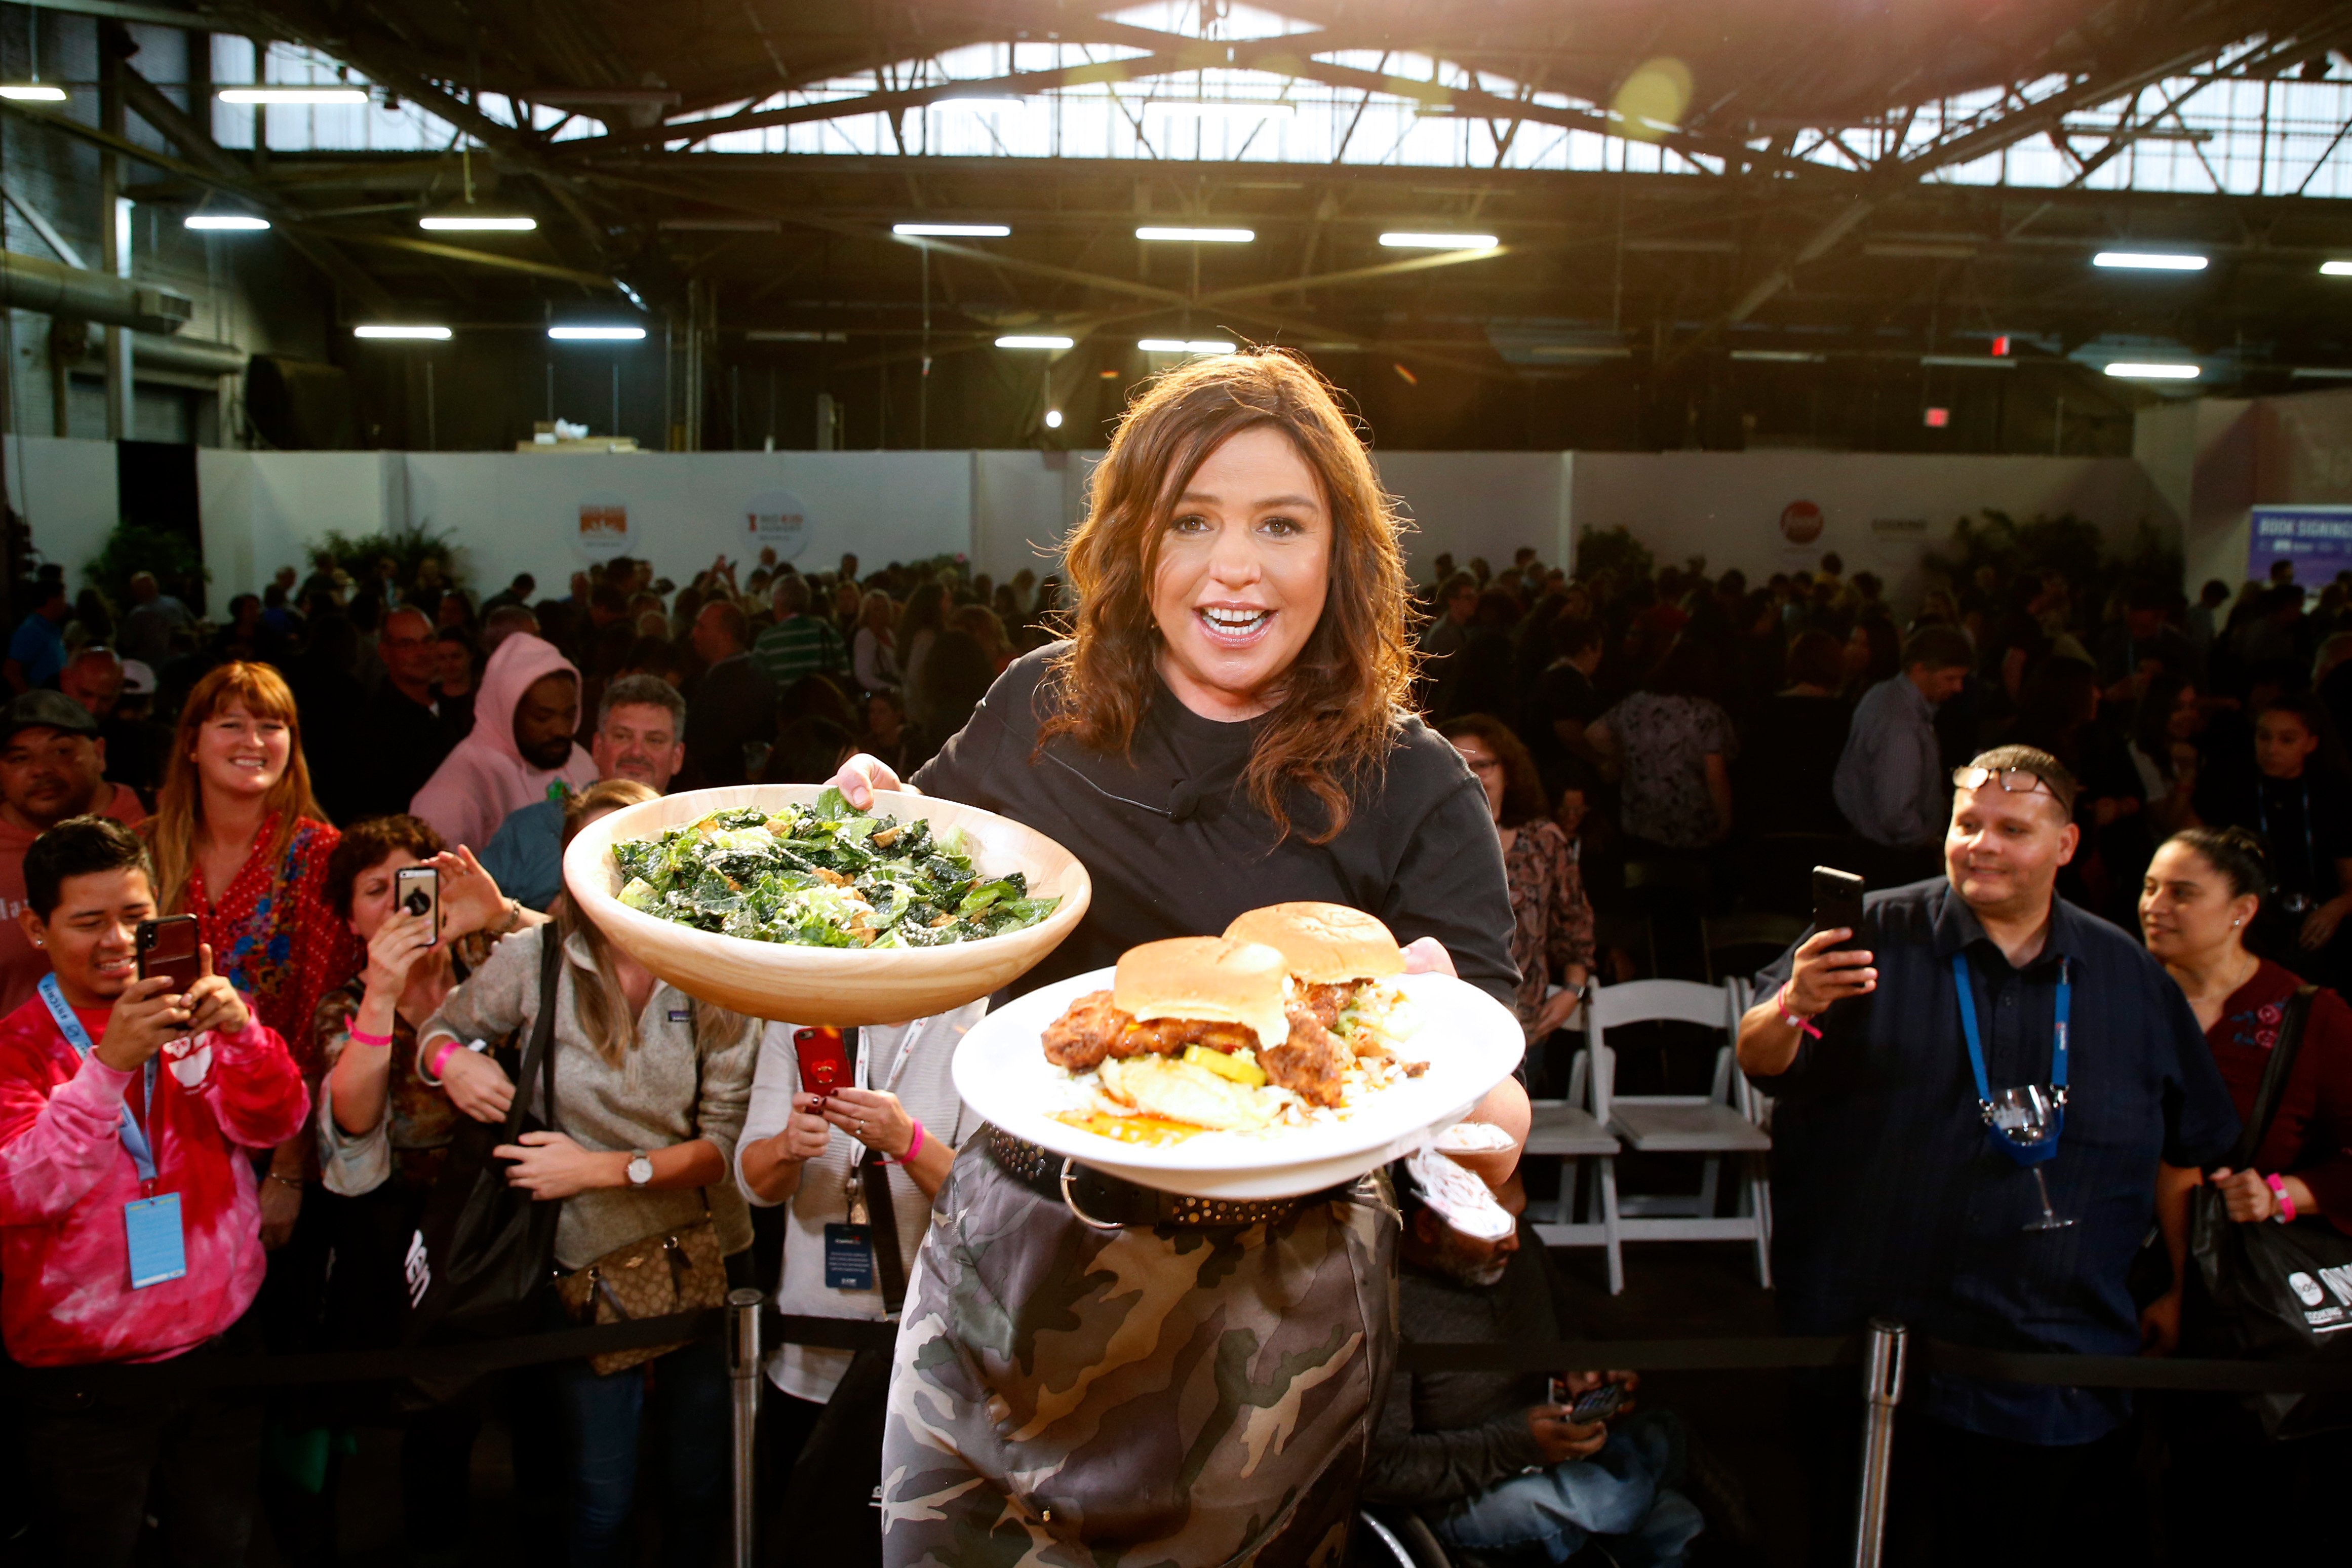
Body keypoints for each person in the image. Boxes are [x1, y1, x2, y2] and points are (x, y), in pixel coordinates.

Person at [841, 350, 1526, 1564]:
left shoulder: (1415, 782)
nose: (1234, 566)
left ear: (1343, 552)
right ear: (1131, 541)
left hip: (1272, 1318)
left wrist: (1471, 1128)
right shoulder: (1034, 713)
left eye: (1281, 523)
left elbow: (1480, 1061)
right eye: (1191, 521)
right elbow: (921, 898)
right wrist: (865, 830)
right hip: (1008, 1260)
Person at [1739, 744, 2239, 1567]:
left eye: (2011, 828)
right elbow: (1756, 1057)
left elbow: (2188, 1147)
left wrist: (2184, 1291)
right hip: (1879, 1353)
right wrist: (1791, 1004)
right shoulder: (1872, 938)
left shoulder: (2120, 971)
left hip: (2054, 1358)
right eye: (1967, 823)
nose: (1982, 843)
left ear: (2065, 845)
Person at [420, 779, 757, 1568]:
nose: (620, 870)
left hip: (704, 1255)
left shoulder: (719, 970)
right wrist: (453, 1065)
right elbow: (441, 1029)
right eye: (599, 855)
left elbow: (720, 1151)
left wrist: (597, 1168)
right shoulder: (535, 958)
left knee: (697, 1485)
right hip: (584, 1264)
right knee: (602, 1497)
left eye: (638, 849)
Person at [0, 816, 307, 1564]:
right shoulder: (17, 1046)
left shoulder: (197, 1011)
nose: (116, 940)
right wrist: (106, 1068)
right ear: (38, 929)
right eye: (88, 921)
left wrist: (243, 1037)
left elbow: (277, 1119)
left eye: (135, 916)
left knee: (221, 1546)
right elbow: (22, 1191)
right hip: (84, 1379)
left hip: (217, 1346)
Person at [311, 815, 541, 1559]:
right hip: (411, 1236)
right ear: (349, 917)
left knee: (533, 1425)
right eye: (375, 892)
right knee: (433, 1430)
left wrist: (501, 912)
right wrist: (384, 997)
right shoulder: (348, 1003)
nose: (396, 905)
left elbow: (591, 963)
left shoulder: (491, 960)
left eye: (412, 885)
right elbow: (354, 1118)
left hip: (513, 1217)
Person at [2135, 824, 2352, 1559]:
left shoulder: (2308, 1014)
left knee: (2232, 1513)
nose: (2156, 906)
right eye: (2150, 887)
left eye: (2183, 893)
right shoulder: (2115, 995)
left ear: (2242, 910)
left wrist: (2289, 1193)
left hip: (2247, 1311)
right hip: (2110, 1290)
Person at [1363, 1153, 1702, 1567]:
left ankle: (1648, 1516)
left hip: (1543, 1441)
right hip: (1457, 1492)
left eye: (1519, 1218)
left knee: (1661, 1432)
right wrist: (1516, 1445)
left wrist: (1582, 1374)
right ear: (1429, 1227)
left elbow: (1565, 1332)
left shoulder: (1517, 1253)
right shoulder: (1388, 1313)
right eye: (1493, 1226)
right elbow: (1382, 1472)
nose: (1516, 1242)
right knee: (1620, 1501)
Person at [734, 1000, 979, 1558]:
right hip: (806, 1345)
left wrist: (908, 1142)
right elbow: (754, 1185)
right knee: (808, 1537)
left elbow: (984, 1207)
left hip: (927, 1362)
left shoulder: (977, 1023)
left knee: (906, 1549)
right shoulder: (800, 1018)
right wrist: (786, 1148)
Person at [145, 661, 356, 1252]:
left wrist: (288, 1174)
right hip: (161, 1141)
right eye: (231, 724)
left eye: (271, 725)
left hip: (277, 1140)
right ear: (191, 743)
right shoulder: (146, 847)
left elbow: (324, 1024)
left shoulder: (321, 856)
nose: (254, 743)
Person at [1443, 714, 1591, 1047]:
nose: (1470, 774)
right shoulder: (1426, 842)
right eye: (1455, 763)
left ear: (1508, 771)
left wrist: (1573, 991)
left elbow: (1575, 921)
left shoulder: (1544, 841)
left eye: (1484, 765)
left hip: (1523, 1023)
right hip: (1444, 1023)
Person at [482, 674, 684, 911]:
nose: (637, 752)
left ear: (677, 757)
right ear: (597, 748)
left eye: (655, 740)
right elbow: (478, 919)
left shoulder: (700, 840)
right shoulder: (526, 831)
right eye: (622, 736)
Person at [2189, 693, 2352, 986]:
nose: (2272, 749)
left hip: (2313, 926)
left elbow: (2348, 879)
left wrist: (2337, 908)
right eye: (2264, 738)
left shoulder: (2333, 795)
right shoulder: (2233, 787)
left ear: (2311, 743)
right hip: (2249, 925)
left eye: (2287, 740)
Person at [0, 691, 147, 1014]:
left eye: (61, 751)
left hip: (167, 1051)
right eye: (19, 758)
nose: (41, 769)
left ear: (99, 753)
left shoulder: (162, 820)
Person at [408, 632, 597, 853]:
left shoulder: (577, 758)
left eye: (569, 715)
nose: (562, 730)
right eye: (543, 718)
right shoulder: (452, 792)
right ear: (505, 712)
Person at [1833, 624, 1974, 888]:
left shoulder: (1881, 695)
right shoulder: (1902, 727)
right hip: (1893, 862)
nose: (1958, 688)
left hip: (1869, 848)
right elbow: (1895, 814)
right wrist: (1930, 840)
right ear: (1920, 670)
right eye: (1950, 678)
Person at [1589, 637, 1738, 853]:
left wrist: (1628, 756)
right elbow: (1715, 776)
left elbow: (1594, 734)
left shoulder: (1636, 703)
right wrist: (1726, 821)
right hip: (1691, 827)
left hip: (1639, 822)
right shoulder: (1705, 714)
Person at [349, 606, 467, 821]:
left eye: (428, 641)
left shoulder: (455, 709)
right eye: (407, 644)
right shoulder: (371, 725)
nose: (422, 653)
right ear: (385, 652)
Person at [684, 599, 776, 787]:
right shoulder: (754, 670)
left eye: (701, 627)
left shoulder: (729, 684)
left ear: (725, 635)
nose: (694, 634)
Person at [753, 573, 850, 690]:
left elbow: (757, 687)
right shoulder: (830, 634)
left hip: (783, 707)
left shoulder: (766, 640)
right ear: (807, 602)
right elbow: (845, 677)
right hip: (824, 707)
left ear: (779, 604)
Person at [117, 571, 194, 672]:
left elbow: (127, 642)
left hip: (154, 667)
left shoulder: (138, 614)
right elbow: (193, 624)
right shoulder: (175, 603)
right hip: (185, 662)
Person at [6, 579, 70, 693]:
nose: (66, 604)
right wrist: (31, 701)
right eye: (63, 598)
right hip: (43, 698)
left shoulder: (52, 629)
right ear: (52, 600)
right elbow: (11, 671)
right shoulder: (31, 631)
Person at [851, 589, 900, 694]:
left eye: (886, 607)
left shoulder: (889, 633)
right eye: (877, 609)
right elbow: (863, 675)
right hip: (883, 694)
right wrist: (889, 689)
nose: (884, 612)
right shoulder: (866, 636)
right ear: (867, 614)